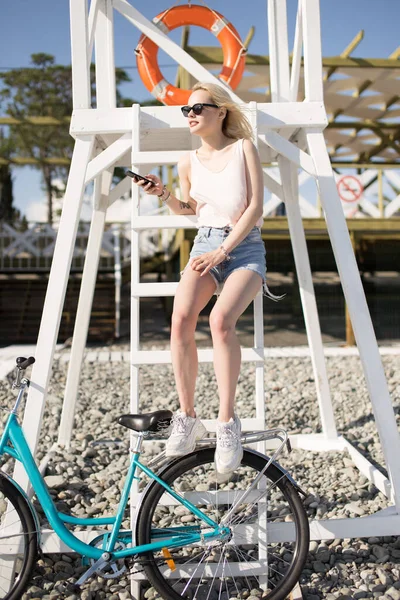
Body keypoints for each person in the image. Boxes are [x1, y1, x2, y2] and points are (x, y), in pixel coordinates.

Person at [134, 82, 280, 474]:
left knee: (220, 321)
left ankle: (227, 421)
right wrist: (163, 194)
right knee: (180, 319)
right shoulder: (188, 162)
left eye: (199, 107)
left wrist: (224, 251)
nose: (191, 114)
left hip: (244, 247)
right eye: (186, 109)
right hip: (205, 243)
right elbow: (192, 210)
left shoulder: (242, 149)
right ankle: (187, 415)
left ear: (221, 112)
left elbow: (254, 208)